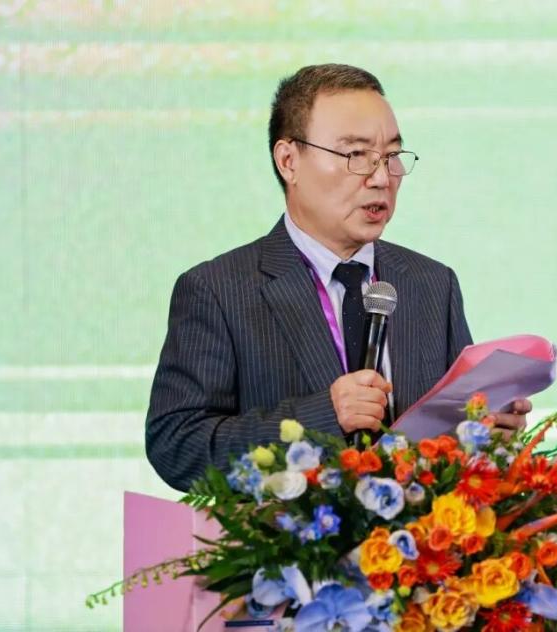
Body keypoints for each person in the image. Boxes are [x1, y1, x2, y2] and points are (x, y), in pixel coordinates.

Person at [146, 64, 530, 491]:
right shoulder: (219, 290)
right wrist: (325, 417)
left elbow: (450, 441)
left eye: (391, 157)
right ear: (289, 161)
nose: (381, 178)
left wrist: (484, 435)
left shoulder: (432, 284)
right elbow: (176, 446)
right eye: (356, 156)